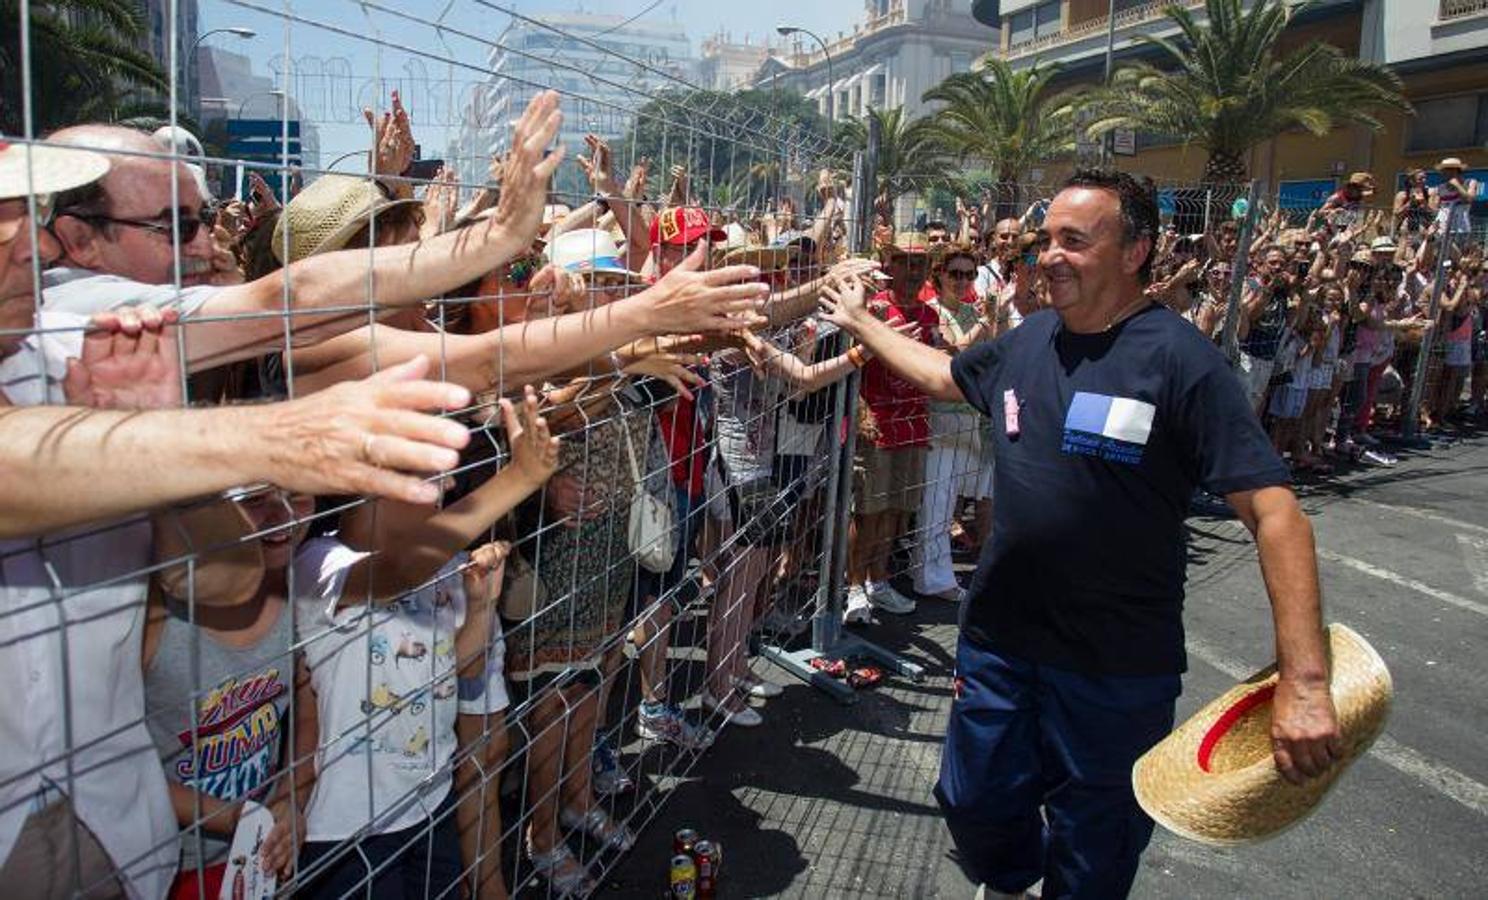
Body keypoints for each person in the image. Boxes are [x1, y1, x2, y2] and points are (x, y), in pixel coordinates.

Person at [820, 169, 1342, 898]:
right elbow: (944, 374)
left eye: (1075, 240)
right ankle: (1009, 880)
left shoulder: (1181, 362)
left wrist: (1306, 682)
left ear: (1136, 252)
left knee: (1095, 855)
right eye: (1045, 242)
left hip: (1115, 670)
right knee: (972, 802)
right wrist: (864, 325)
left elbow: (1275, 511)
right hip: (1001, 644)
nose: (1050, 257)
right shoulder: (1029, 340)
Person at [844, 233, 939, 622]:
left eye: (921, 263)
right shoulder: (873, 310)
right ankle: (853, 588)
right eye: (906, 261)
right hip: (877, 423)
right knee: (867, 510)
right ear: (891, 265)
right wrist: (860, 408)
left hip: (914, 423)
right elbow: (853, 366)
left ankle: (879, 583)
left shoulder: (929, 314)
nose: (914, 271)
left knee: (896, 510)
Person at [911, 245, 995, 602]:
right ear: (939, 275)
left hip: (966, 419)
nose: (962, 281)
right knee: (936, 500)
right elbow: (954, 354)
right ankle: (932, 578)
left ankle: (934, 573)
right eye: (955, 273)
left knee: (947, 504)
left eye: (969, 274)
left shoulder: (969, 311)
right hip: (938, 417)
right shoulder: (933, 312)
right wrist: (982, 323)